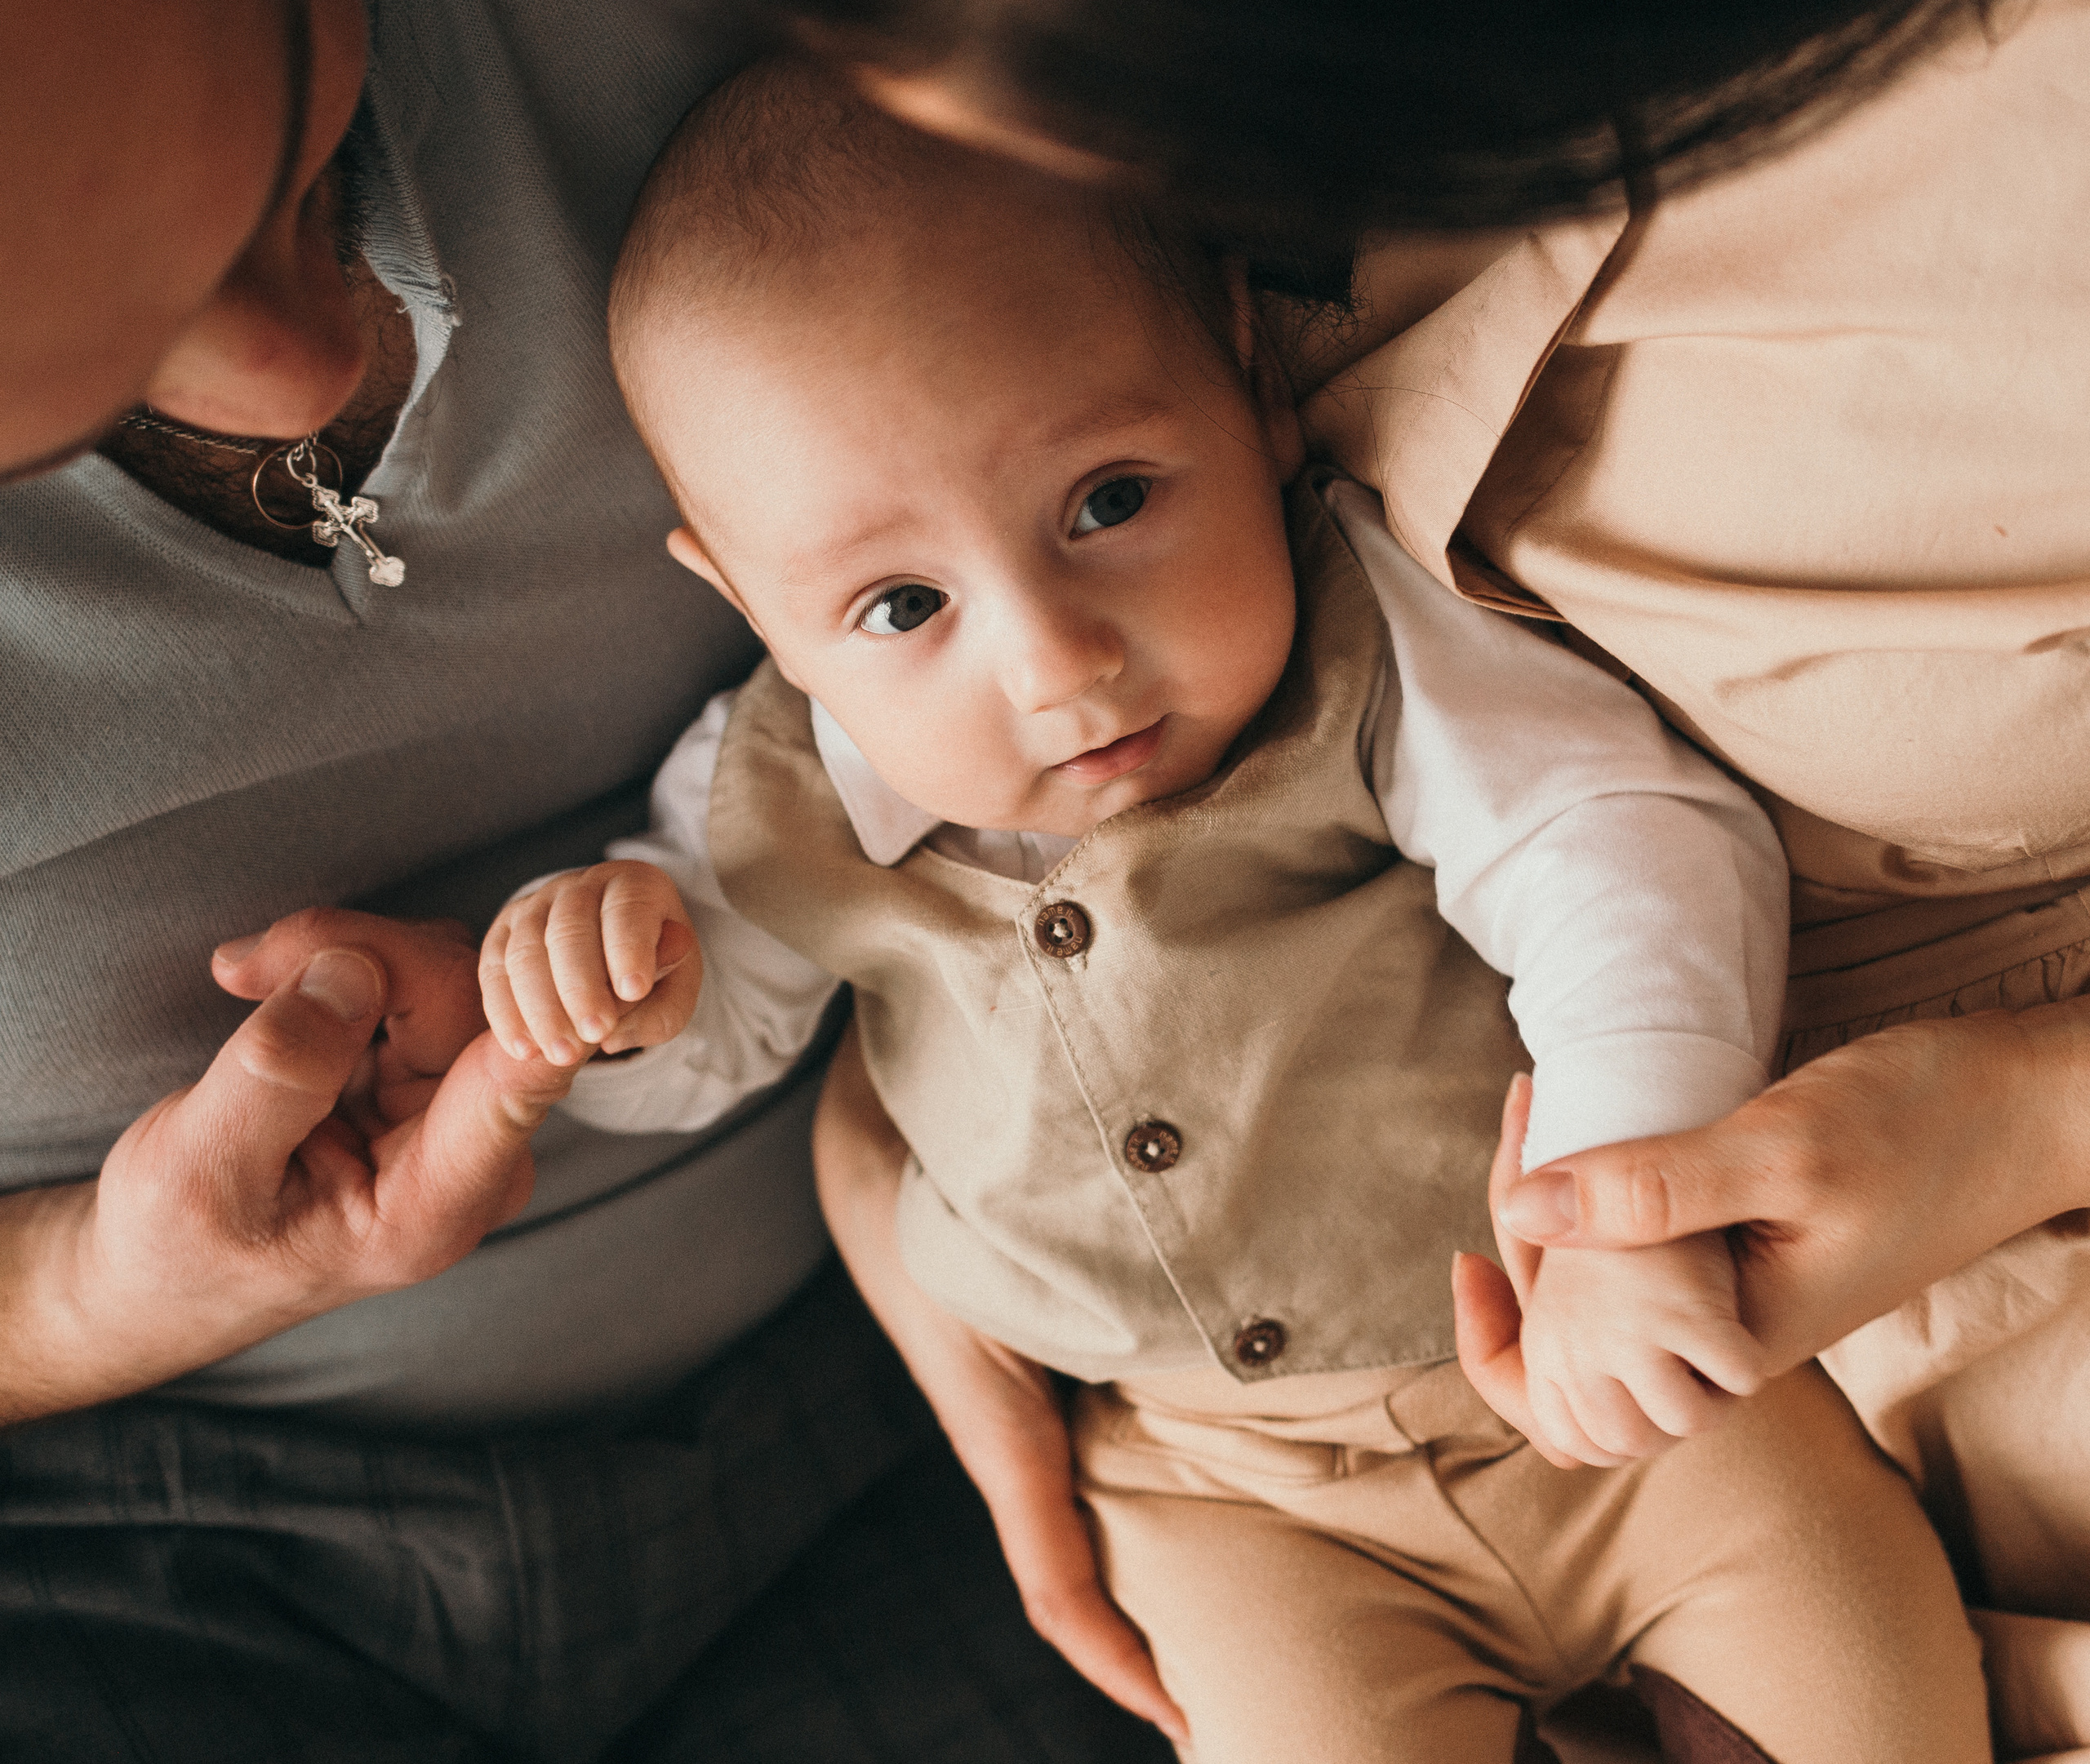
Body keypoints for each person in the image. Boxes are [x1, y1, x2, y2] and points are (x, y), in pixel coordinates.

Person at [491, 60, 1991, 1762]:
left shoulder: (1369, 638)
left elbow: (1617, 846)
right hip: (1223, 1488)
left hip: (1595, 1380)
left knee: (1870, 1712)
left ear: (1243, 373)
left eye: (1111, 500)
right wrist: (607, 994)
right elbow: (704, 1053)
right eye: (900, 603)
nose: (1057, 663)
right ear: (746, 594)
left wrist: (1621, 1199)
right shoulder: (763, 799)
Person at [0, 2, 1171, 1757]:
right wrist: (92, 1288)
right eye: (70, 395)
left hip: (931, 1315)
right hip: (132, 1547)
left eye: (287, 171)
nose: (294, 374)